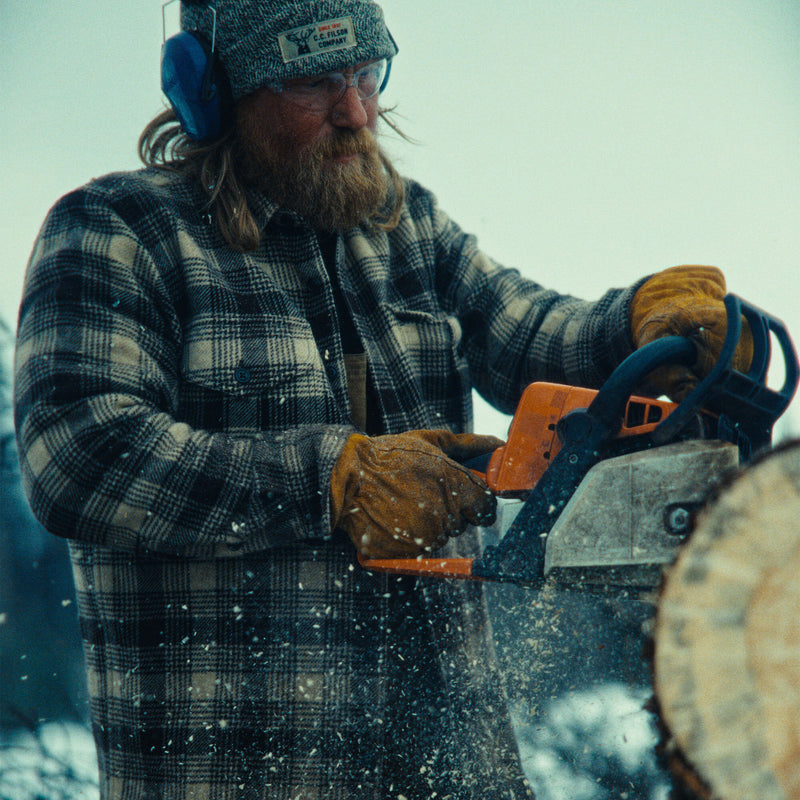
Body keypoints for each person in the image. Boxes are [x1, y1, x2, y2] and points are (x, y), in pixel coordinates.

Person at [14, 1, 753, 798]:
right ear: (213, 91)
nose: (357, 113)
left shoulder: (405, 226)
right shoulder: (119, 232)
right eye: (314, 83)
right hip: (245, 771)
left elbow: (525, 330)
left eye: (366, 74)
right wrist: (330, 480)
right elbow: (76, 452)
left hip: (453, 770)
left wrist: (635, 330)